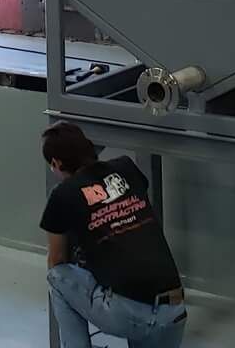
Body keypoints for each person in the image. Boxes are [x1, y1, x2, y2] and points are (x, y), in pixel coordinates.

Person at [39, 122, 187, 347]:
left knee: (57, 277)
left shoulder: (63, 194)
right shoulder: (126, 168)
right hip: (174, 313)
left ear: (56, 163)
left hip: (129, 315)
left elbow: (57, 260)